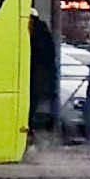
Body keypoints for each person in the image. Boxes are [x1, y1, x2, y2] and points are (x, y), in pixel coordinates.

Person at [29, 9, 58, 138]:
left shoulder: (37, 33)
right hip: (40, 78)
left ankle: (30, 131)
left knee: (31, 105)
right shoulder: (43, 32)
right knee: (32, 106)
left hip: (36, 77)